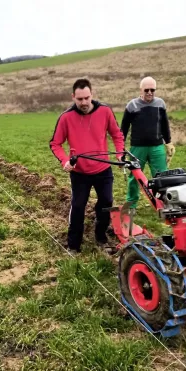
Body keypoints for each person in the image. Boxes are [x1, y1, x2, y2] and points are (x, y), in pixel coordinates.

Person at [49, 78, 125, 254]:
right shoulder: (66, 117)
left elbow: (117, 134)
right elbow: (55, 143)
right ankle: (74, 245)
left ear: (92, 94)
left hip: (103, 169)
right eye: (79, 99)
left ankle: (101, 237)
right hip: (79, 173)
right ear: (73, 97)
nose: (83, 102)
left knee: (106, 202)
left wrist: (120, 153)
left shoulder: (105, 111)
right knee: (78, 206)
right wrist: (64, 161)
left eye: (87, 98)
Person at [120, 76, 175, 209]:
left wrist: (168, 142)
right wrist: (120, 147)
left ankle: (164, 203)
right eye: (147, 90)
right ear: (141, 90)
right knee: (135, 177)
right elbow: (124, 128)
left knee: (161, 176)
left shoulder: (160, 104)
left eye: (152, 90)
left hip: (157, 147)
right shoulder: (132, 105)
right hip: (137, 148)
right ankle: (131, 204)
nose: (149, 92)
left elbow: (164, 125)